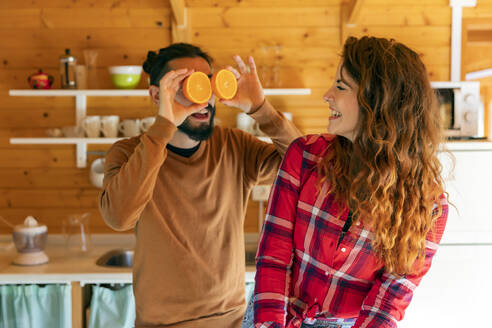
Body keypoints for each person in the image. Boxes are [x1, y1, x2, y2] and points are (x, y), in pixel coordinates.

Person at [243, 36, 449, 328]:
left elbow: (388, 304)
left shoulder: (429, 207)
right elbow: (273, 256)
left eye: (340, 86)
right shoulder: (304, 156)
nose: (327, 95)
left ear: (378, 101)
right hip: (273, 316)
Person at [98, 43, 301, 328]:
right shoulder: (128, 153)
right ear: (157, 95)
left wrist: (261, 110)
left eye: (206, 84)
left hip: (232, 321)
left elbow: (306, 168)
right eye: (186, 84)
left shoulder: (234, 147)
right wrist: (163, 126)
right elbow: (118, 217)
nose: (202, 97)